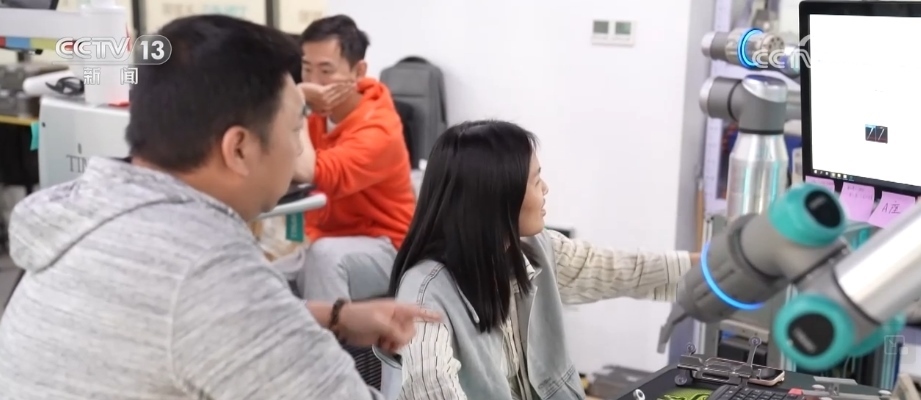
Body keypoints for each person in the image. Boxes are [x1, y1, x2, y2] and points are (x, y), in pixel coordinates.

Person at [0, 15, 438, 399]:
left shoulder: (94, 216)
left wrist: (336, 316)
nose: (297, 148)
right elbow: (215, 303)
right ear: (239, 148)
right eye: (293, 129)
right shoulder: (205, 268)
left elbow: (204, 320)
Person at [382, 120, 701, 400]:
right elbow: (433, 389)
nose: (545, 189)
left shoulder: (531, 248)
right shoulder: (424, 294)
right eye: (536, 180)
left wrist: (707, 268)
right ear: (497, 195)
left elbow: (617, 269)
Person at [271, 14, 416, 302]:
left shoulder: (379, 129)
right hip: (325, 238)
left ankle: (330, 332)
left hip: (390, 248)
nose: (313, 82)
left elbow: (311, 171)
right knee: (258, 277)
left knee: (324, 258)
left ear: (358, 71)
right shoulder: (317, 114)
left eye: (326, 70)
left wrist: (298, 102)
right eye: (306, 69)